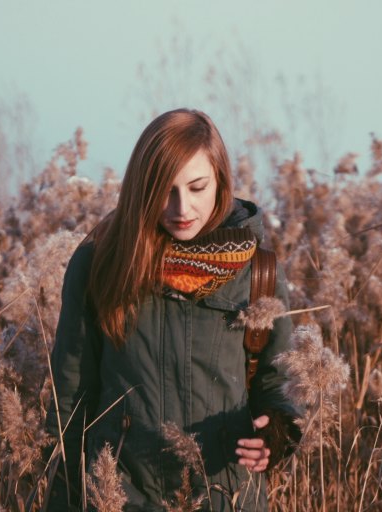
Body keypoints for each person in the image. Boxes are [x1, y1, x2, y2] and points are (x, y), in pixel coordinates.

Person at [45, 108, 299, 511]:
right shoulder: (101, 263)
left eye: (197, 187)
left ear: (221, 180)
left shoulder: (258, 271)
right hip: (120, 499)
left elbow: (280, 384)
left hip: (224, 498)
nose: (182, 207)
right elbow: (70, 402)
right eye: (165, 189)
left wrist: (276, 434)